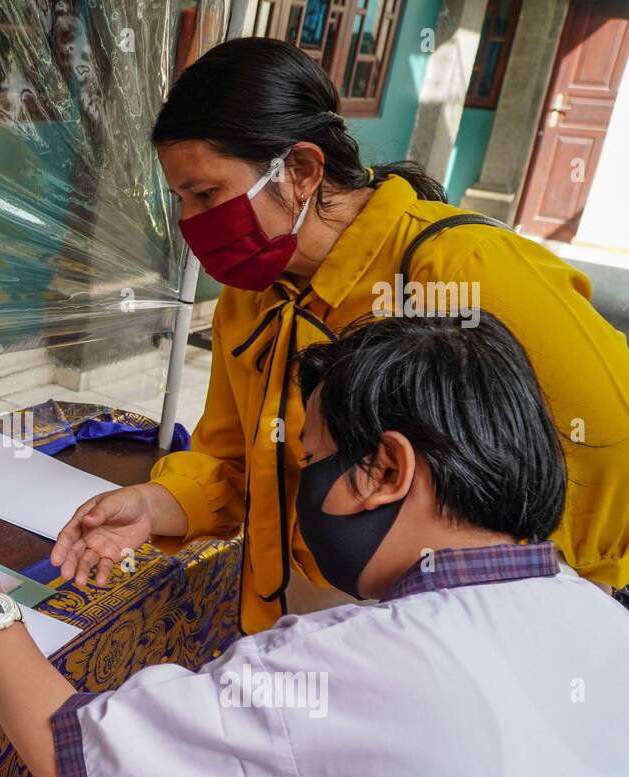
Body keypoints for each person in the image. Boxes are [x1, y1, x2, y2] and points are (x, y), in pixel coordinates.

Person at [0, 311, 629, 777]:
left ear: (385, 469)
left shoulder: (342, 670)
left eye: (312, 461)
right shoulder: (602, 620)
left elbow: (84, 760)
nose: (300, 490)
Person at [52, 37, 629, 633]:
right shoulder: (253, 298)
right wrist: (152, 505)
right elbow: (227, 465)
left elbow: (612, 443)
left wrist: (545, 602)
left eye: (206, 194)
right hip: (306, 603)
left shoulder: (461, 268)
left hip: (471, 619)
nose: (189, 224)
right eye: (179, 200)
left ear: (300, 171)